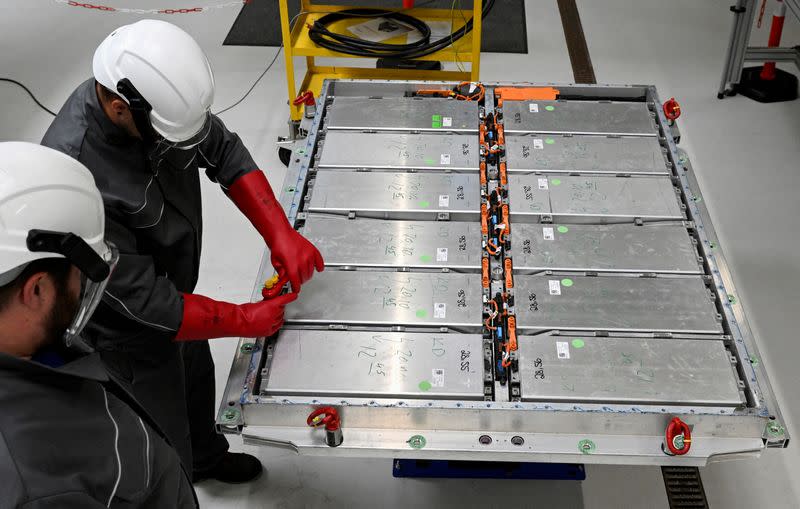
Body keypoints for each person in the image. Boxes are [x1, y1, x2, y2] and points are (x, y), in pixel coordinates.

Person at [41, 19, 323, 483]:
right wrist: (245, 319)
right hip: (124, 332)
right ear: (117, 107)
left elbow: (222, 151)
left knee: (194, 372)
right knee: (160, 437)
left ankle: (206, 458)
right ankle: (178, 478)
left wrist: (281, 233)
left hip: (171, 285)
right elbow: (148, 304)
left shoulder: (152, 104)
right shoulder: (78, 179)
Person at [0, 141, 197, 508]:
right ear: (38, 290)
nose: (84, 289)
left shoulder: (41, 347)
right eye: (80, 275)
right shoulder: (37, 486)